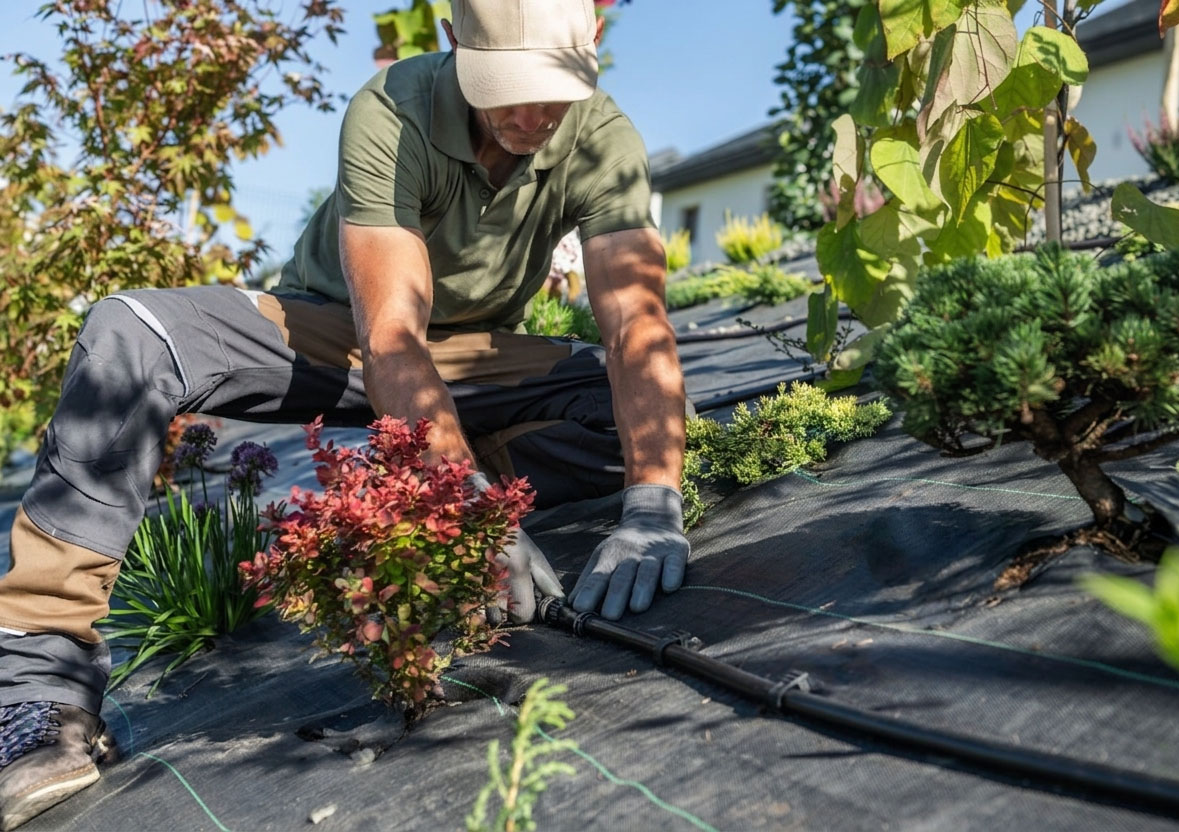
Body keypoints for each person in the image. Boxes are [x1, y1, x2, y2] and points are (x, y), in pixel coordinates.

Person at [0, 0, 690, 826]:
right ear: (453, 43)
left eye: (552, 88)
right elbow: (390, 330)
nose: (531, 115)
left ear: (593, 46)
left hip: (470, 354)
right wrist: (460, 496)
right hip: (329, 334)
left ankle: (390, 501)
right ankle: (40, 692)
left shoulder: (602, 139)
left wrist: (653, 507)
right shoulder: (392, 109)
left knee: (631, 415)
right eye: (507, 87)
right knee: (130, 333)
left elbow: (637, 327)